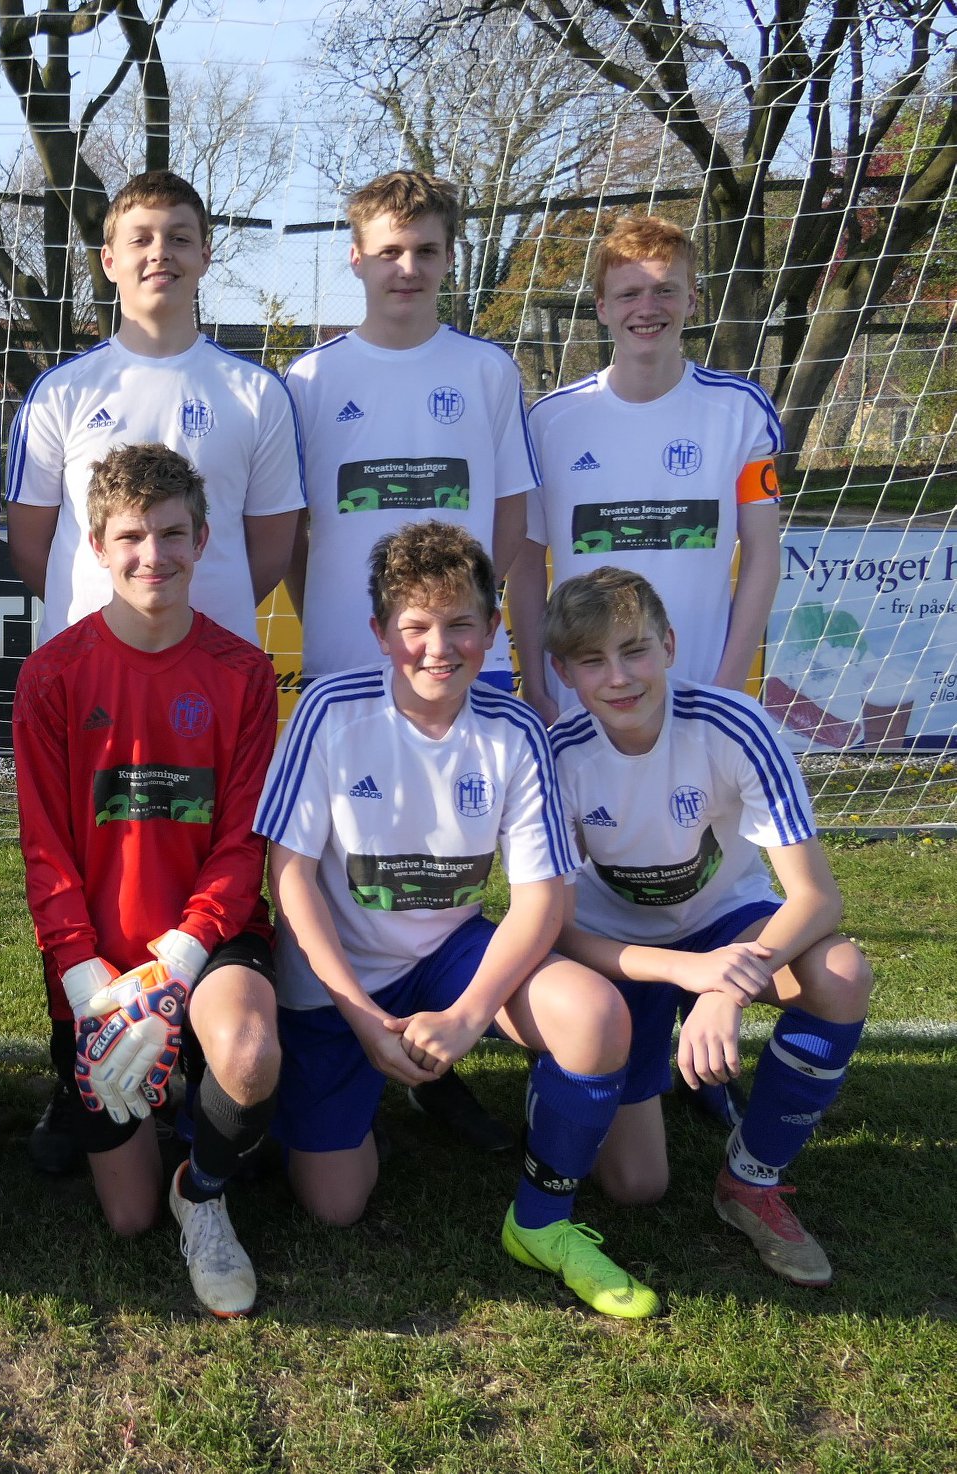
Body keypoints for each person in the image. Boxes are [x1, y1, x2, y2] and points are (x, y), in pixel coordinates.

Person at [256, 521, 656, 1318]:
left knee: (593, 1014)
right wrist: (359, 1015)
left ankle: (540, 1219)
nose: (437, 648)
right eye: (414, 627)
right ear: (379, 633)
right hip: (338, 982)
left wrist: (470, 1015)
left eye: (460, 624)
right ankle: (365, 1086)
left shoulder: (513, 730)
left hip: (449, 956)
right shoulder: (328, 710)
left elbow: (543, 898)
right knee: (334, 1204)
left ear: (493, 628)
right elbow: (288, 876)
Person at [6, 168, 303, 1173]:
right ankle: (82, 1065)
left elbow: (268, 546)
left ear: (205, 253)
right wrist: (118, 618)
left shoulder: (252, 392)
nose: (159, 253)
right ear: (107, 258)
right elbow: (34, 538)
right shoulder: (63, 391)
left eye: (179, 235)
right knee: (89, 866)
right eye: (139, 237)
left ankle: (198, 1058)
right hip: (92, 683)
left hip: (204, 685)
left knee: (207, 851)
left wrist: (187, 619)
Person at [282, 168, 541, 1153]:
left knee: (448, 863)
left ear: (448, 258)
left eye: (426, 249)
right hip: (348, 666)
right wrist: (335, 627)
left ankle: (444, 1052)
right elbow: (297, 531)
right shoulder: (309, 380)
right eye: (388, 249)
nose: (407, 266)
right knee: (348, 871)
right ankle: (348, 1035)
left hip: (463, 665)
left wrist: (473, 627)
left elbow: (509, 516)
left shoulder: (485, 370)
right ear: (355, 257)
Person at [509, 215, 784, 1132]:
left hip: (698, 704)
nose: (647, 305)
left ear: (693, 299)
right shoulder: (552, 421)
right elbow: (526, 564)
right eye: (628, 290)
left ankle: (705, 1037)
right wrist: (537, 681)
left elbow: (760, 555)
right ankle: (591, 1045)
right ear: (598, 307)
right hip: (594, 700)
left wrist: (729, 682)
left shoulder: (738, 411)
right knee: (598, 874)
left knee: (703, 866)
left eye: (665, 288)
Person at [543, 567, 869, 1287]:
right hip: (617, 951)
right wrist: (685, 973)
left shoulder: (734, 724)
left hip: (727, 924)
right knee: (636, 1186)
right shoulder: (557, 756)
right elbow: (556, 931)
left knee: (840, 974)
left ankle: (751, 1180)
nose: (618, 676)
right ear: (563, 673)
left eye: (633, 650)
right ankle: (569, 1070)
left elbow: (817, 899)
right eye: (592, 660)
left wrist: (723, 988)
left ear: (667, 645)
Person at [15, 443, 281, 1317]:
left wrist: (181, 960)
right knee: (128, 1218)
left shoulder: (244, 675)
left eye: (170, 533)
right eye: (130, 536)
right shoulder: (52, 675)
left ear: (201, 540)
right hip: (97, 964)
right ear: (96, 546)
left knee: (247, 1053)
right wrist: (84, 977)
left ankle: (202, 1192)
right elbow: (44, 849)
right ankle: (160, 1119)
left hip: (209, 941)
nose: (151, 555)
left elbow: (242, 843)